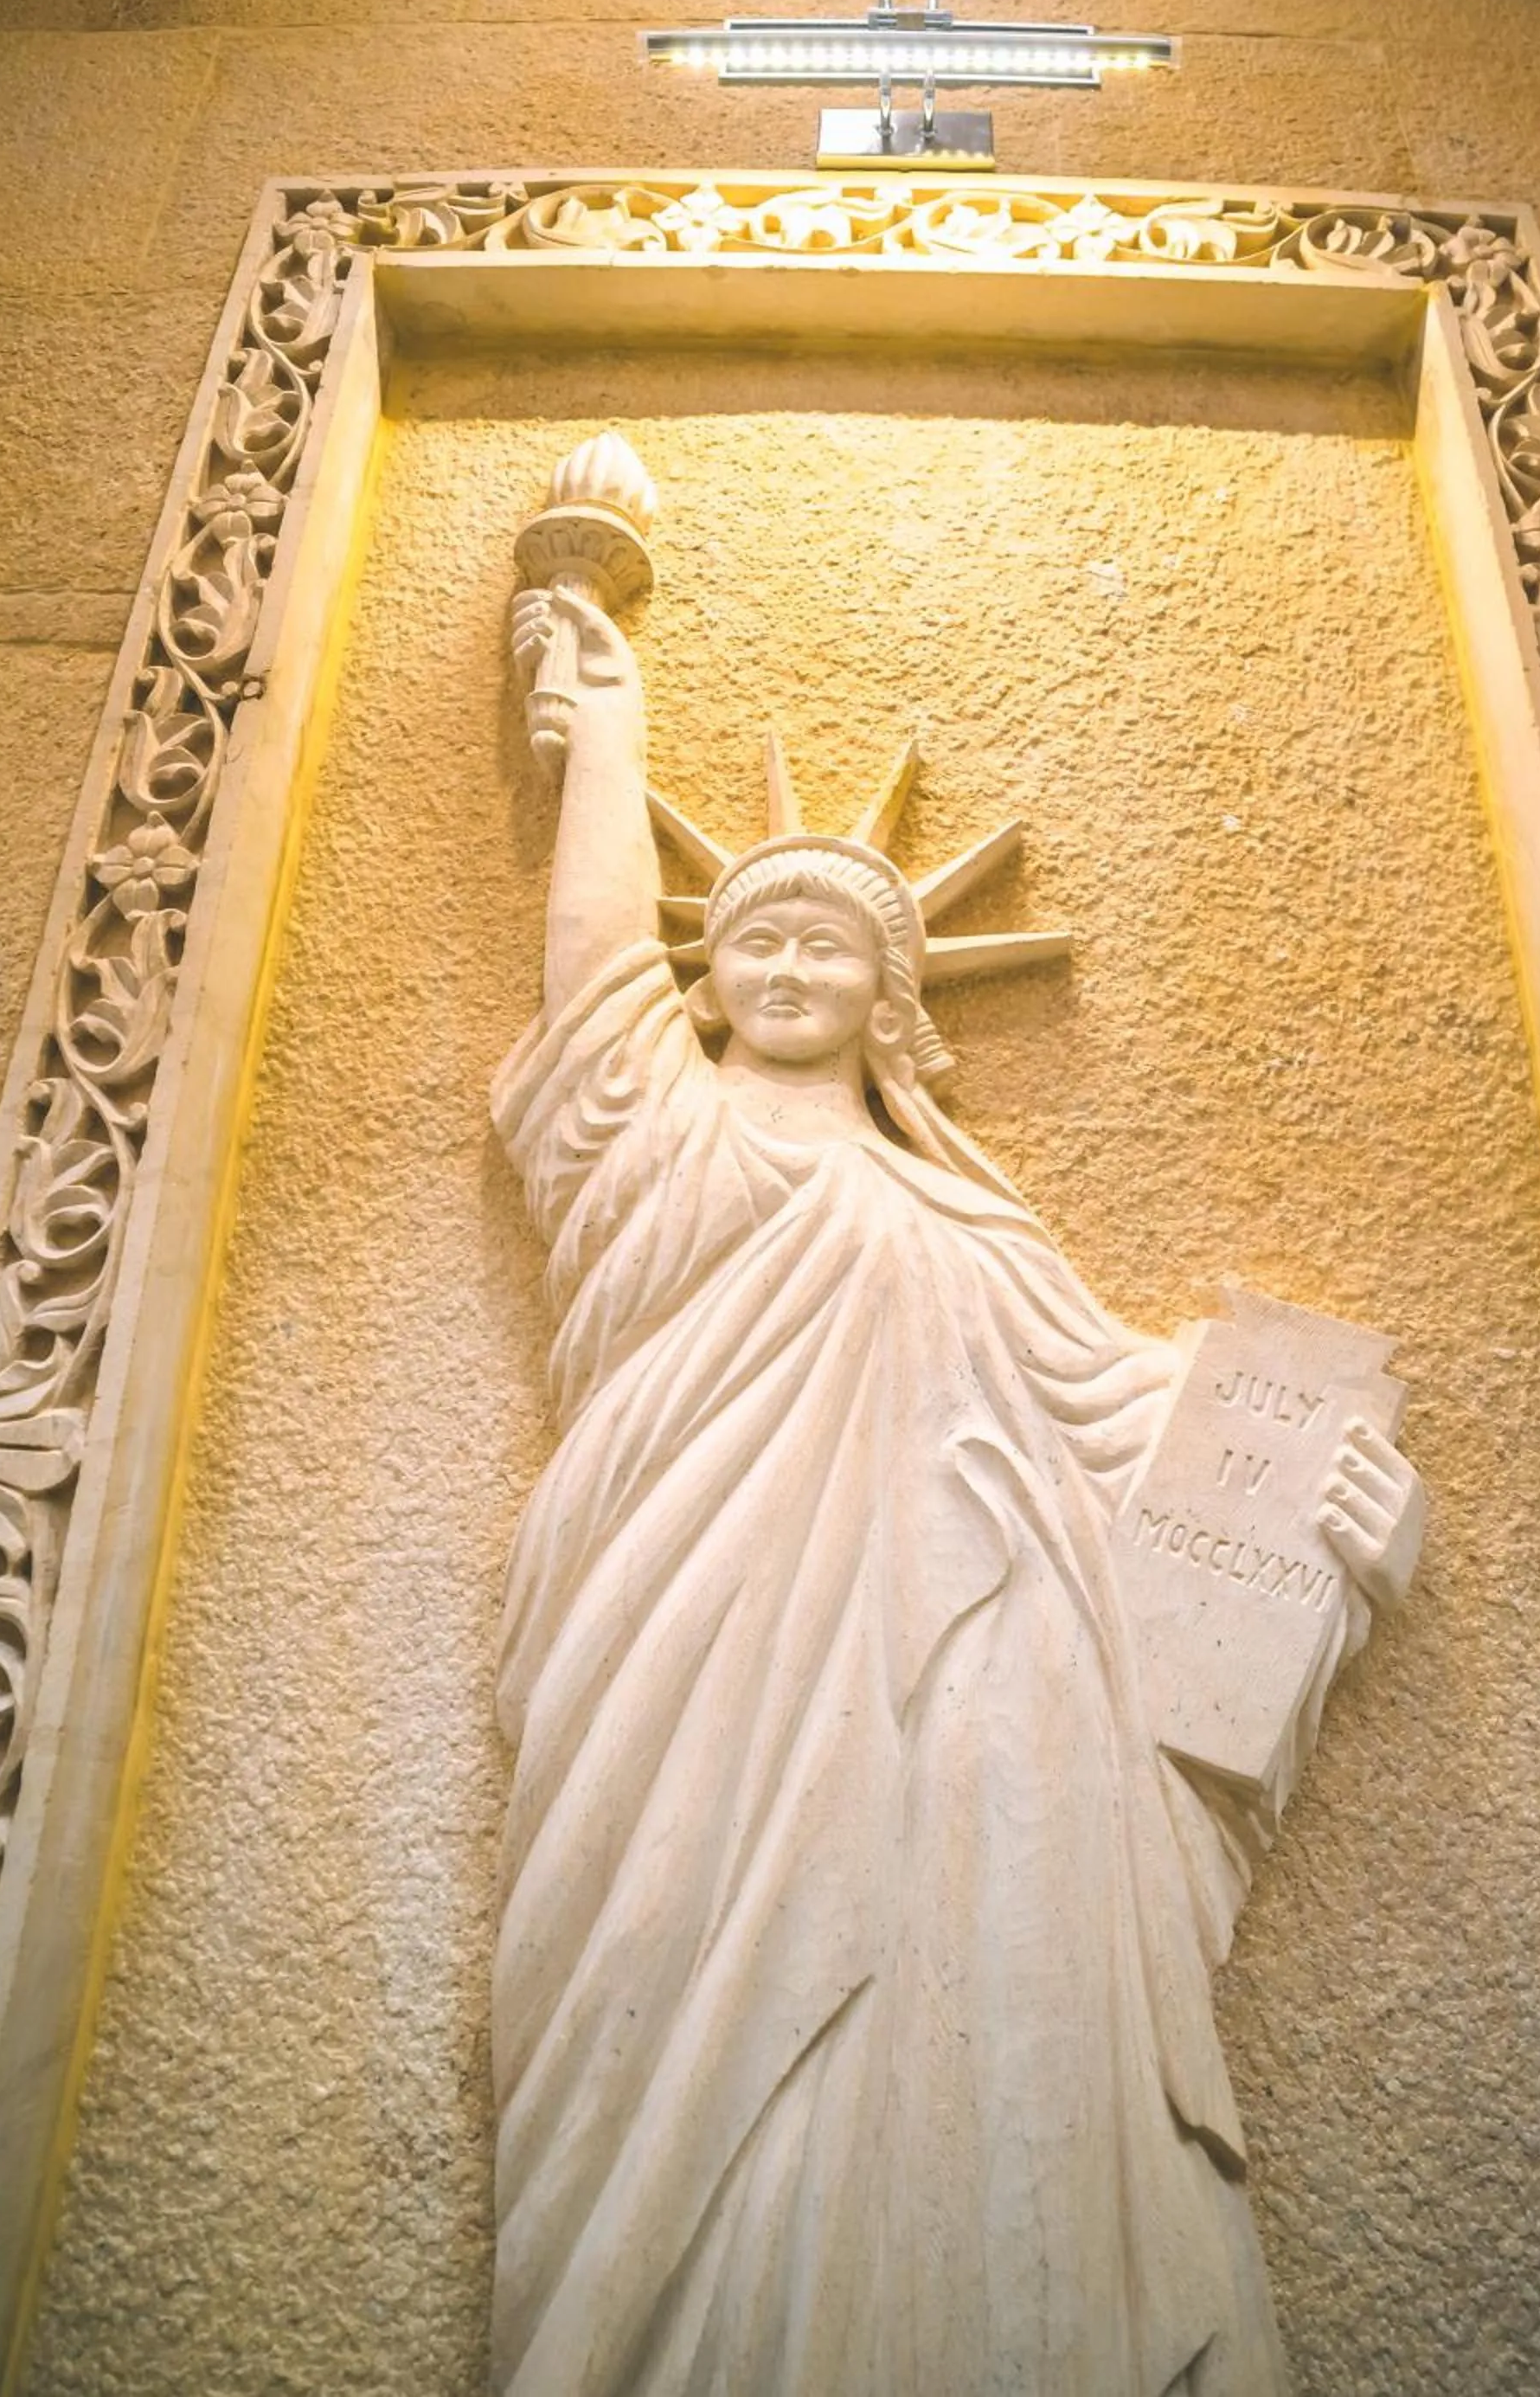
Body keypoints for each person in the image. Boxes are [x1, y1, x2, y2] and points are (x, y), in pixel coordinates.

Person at [488, 584, 1421, 2397]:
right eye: (751, 942)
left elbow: (1140, 1425)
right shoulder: (656, 1150)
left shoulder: (968, 1223)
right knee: (686, 2032)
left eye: (827, 950)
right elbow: (596, 977)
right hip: (695, 1675)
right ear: (713, 976)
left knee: (958, 2044)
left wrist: (1346, 1520)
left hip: (968, 1742)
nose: (781, 967)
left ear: (889, 999)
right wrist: (607, 730)